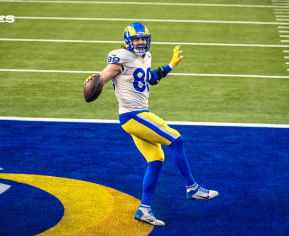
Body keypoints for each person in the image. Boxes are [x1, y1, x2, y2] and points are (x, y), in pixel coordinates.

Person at [84, 22, 218, 226]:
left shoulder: (146, 57)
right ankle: (192, 188)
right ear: (128, 41)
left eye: (143, 39)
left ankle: (144, 209)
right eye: (136, 39)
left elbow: (150, 78)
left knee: (156, 159)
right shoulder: (120, 57)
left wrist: (170, 66)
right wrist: (95, 81)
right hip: (132, 116)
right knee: (176, 140)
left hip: (138, 116)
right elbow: (106, 74)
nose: (140, 42)